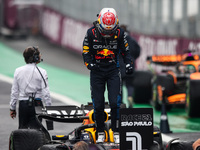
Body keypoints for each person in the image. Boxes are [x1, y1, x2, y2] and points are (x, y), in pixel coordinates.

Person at [82, 8, 133, 143]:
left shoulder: (120, 33)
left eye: (110, 31)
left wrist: (128, 64)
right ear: (99, 23)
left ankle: (116, 131)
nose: (107, 33)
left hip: (113, 71)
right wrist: (89, 64)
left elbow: (126, 51)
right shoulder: (90, 33)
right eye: (105, 31)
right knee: (98, 104)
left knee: (115, 103)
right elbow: (85, 52)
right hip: (97, 71)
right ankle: (100, 130)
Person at [9, 46, 51, 129]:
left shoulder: (18, 71)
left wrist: (12, 108)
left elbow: (14, 91)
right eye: (39, 55)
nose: (40, 56)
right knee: (37, 132)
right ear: (35, 57)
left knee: (22, 131)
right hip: (37, 104)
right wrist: (49, 108)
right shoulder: (42, 71)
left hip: (23, 104)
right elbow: (46, 92)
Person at [119, 25, 141, 108]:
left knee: (119, 85)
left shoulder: (117, 41)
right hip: (130, 66)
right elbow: (138, 51)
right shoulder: (132, 41)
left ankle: (120, 103)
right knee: (130, 85)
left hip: (119, 67)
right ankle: (130, 97)